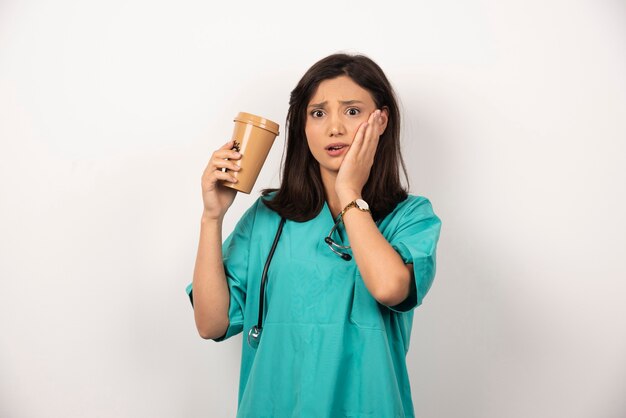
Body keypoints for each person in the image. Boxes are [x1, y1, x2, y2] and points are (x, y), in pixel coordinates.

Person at [186, 52, 442, 417]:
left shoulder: (410, 216)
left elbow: (390, 289)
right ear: (303, 127)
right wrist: (212, 217)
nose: (334, 128)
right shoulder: (269, 217)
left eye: (352, 111)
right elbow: (211, 323)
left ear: (381, 120)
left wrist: (349, 193)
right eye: (317, 113)